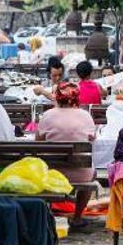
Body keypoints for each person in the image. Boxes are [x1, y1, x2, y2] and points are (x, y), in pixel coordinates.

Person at [37, 82, 97, 226]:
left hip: (53, 173)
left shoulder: (47, 115)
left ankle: (48, 215)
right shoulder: (85, 116)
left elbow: (38, 143)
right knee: (91, 171)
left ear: (57, 97)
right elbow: (92, 140)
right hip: (81, 174)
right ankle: (77, 217)